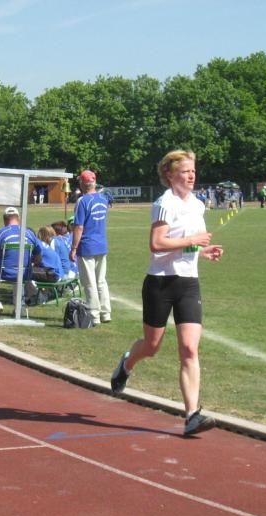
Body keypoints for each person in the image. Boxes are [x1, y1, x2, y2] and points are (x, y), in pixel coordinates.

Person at [110, 149, 224, 436]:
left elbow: (188, 245)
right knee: (152, 346)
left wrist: (203, 250)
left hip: (188, 283)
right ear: (170, 174)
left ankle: (192, 415)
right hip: (160, 283)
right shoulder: (164, 203)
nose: (191, 175)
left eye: (193, 170)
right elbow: (157, 244)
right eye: (185, 171)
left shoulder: (198, 205)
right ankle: (126, 364)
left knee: (189, 348)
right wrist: (193, 240)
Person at [0, 206, 42, 312]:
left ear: (4, 220)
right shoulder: (29, 233)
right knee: (19, 273)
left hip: (3, 273)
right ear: (18, 218)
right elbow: (38, 258)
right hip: (25, 273)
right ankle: (20, 307)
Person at [69, 170, 111, 325]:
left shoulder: (82, 201)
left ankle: (94, 315)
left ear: (82, 183)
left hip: (87, 245)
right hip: (101, 243)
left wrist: (74, 248)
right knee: (101, 281)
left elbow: (79, 226)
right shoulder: (103, 199)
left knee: (89, 282)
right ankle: (106, 313)